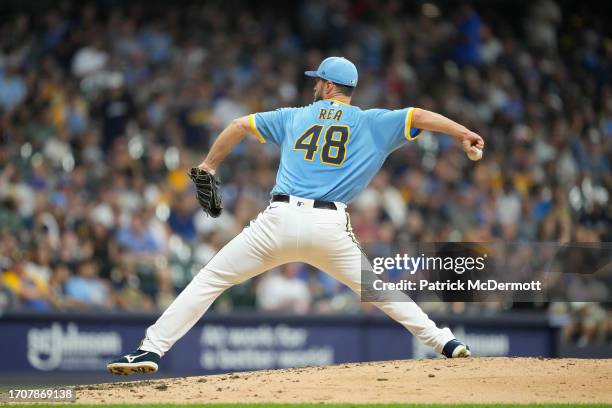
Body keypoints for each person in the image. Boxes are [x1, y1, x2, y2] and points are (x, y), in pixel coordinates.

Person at [107, 57, 484, 375]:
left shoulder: (294, 116)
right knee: (380, 291)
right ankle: (445, 342)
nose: (314, 86)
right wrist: (463, 132)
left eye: (318, 80)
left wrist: (208, 165)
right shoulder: (372, 122)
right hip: (329, 226)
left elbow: (239, 125)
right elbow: (418, 115)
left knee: (210, 279)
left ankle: (151, 349)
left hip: (279, 220)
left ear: (328, 85)